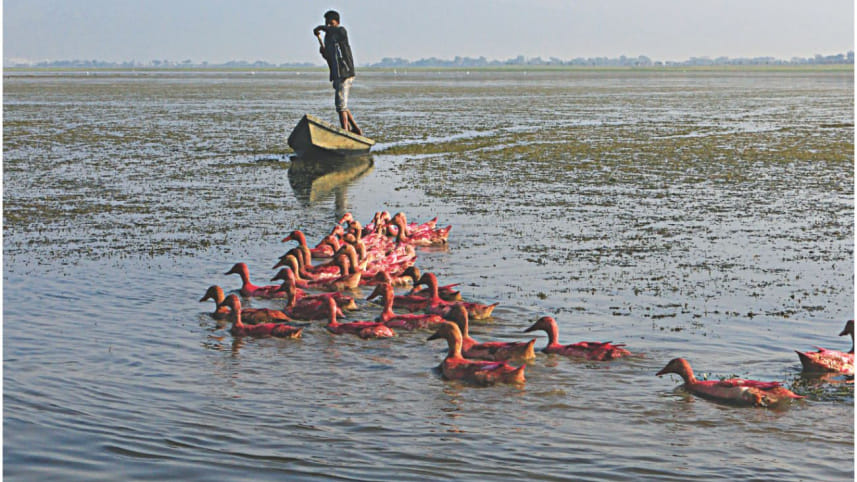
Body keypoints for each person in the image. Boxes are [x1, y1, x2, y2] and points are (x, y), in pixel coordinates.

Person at [313, 10, 363, 136]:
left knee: (340, 107)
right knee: (342, 106)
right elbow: (330, 58)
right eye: (326, 23)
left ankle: (345, 133)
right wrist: (324, 53)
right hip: (337, 74)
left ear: (337, 22)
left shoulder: (341, 31)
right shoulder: (328, 38)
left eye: (331, 23)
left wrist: (320, 27)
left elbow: (332, 30)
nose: (328, 25)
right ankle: (356, 130)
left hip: (344, 72)